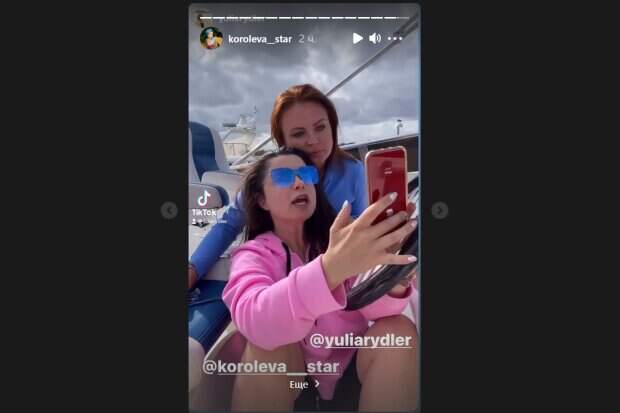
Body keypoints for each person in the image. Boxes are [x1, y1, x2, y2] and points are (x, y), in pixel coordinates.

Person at [222, 148, 419, 411]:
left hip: (350, 370)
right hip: (295, 381)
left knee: (398, 330)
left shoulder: (339, 241)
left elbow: (373, 309)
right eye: (283, 176)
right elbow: (253, 320)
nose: (299, 182)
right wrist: (329, 270)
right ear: (262, 200)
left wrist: (394, 278)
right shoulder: (253, 255)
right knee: (268, 347)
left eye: (307, 174)